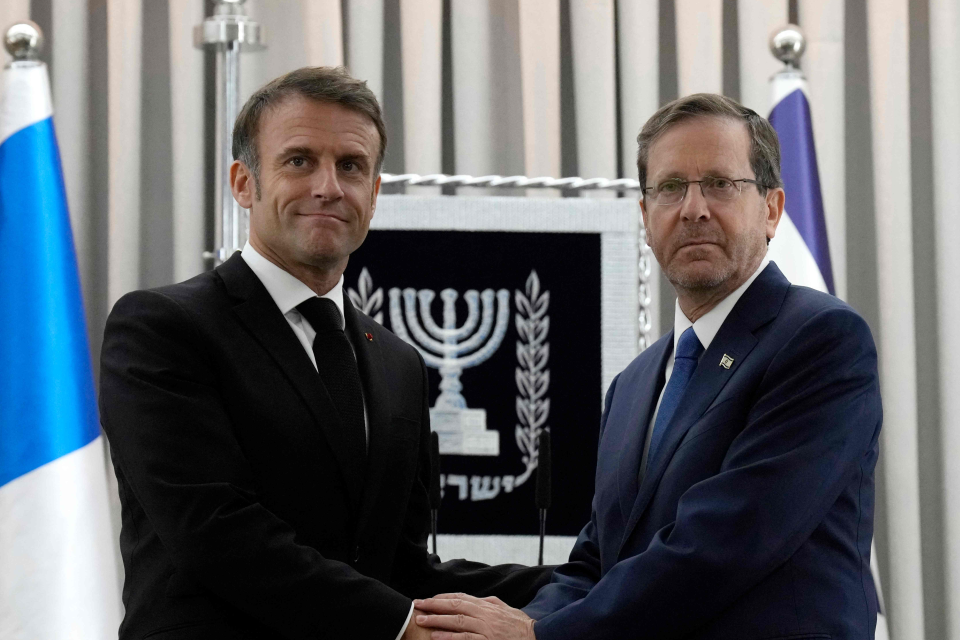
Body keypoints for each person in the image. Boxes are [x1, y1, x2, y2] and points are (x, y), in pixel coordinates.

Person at [99, 66, 550, 640]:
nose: (328, 187)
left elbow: (399, 566)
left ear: (375, 192)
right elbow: (214, 534)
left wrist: (576, 587)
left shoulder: (398, 363)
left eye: (351, 166)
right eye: (299, 160)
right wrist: (401, 623)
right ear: (243, 183)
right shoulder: (164, 327)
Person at [415, 93, 882, 639]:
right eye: (670, 188)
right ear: (644, 213)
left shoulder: (819, 338)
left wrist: (538, 638)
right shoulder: (633, 384)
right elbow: (596, 561)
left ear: (772, 209)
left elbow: (725, 543)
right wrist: (525, 623)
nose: (693, 208)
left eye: (720, 184)